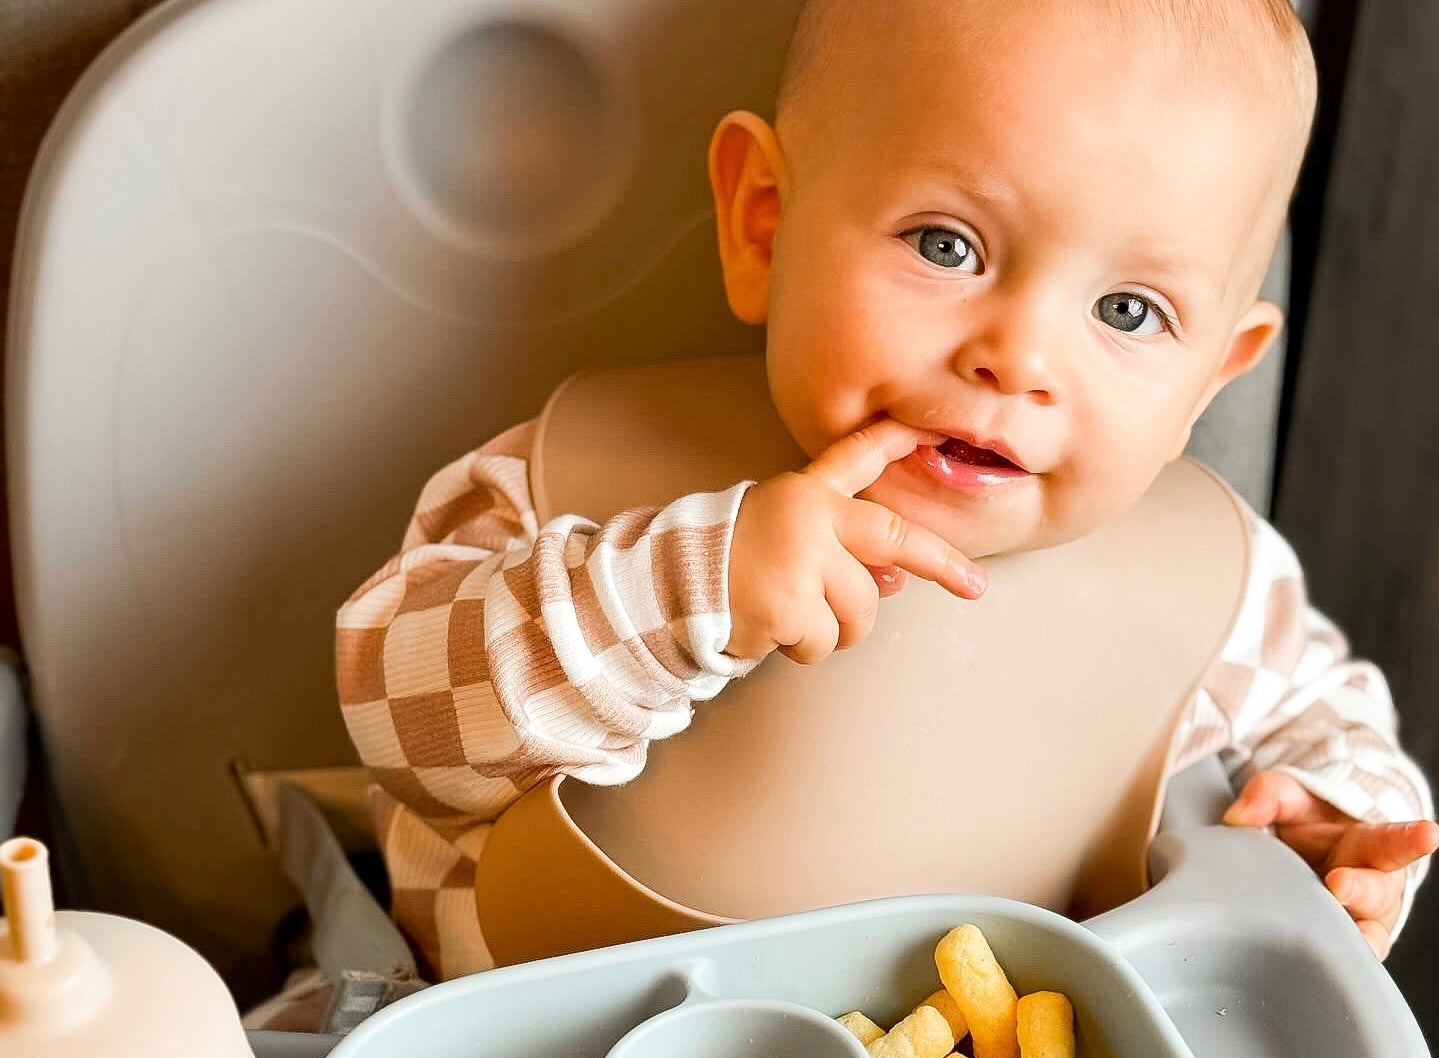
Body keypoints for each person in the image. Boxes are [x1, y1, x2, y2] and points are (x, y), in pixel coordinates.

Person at [336, 0, 1437, 980]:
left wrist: (1334, 826)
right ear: (762, 221)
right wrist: (683, 587)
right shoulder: (575, 480)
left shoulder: (1206, 591)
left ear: (1210, 375)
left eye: (1127, 312)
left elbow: (1325, 718)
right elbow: (395, 716)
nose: (1019, 356)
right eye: (946, 244)